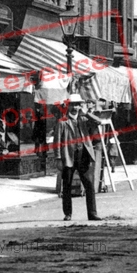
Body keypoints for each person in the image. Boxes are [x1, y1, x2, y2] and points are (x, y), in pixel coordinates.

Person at [54, 94, 103, 222]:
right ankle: (68, 214)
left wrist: (86, 113)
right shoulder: (62, 122)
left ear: (80, 106)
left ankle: (92, 213)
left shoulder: (84, 120)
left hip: (83, 156)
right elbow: (57, 142)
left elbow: (99, 121)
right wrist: (58, 158)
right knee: (67, 186)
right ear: (68, 106)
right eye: (72, 104)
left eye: (77, 104)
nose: (75, 107)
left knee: (89, 185)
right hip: (68, 157)